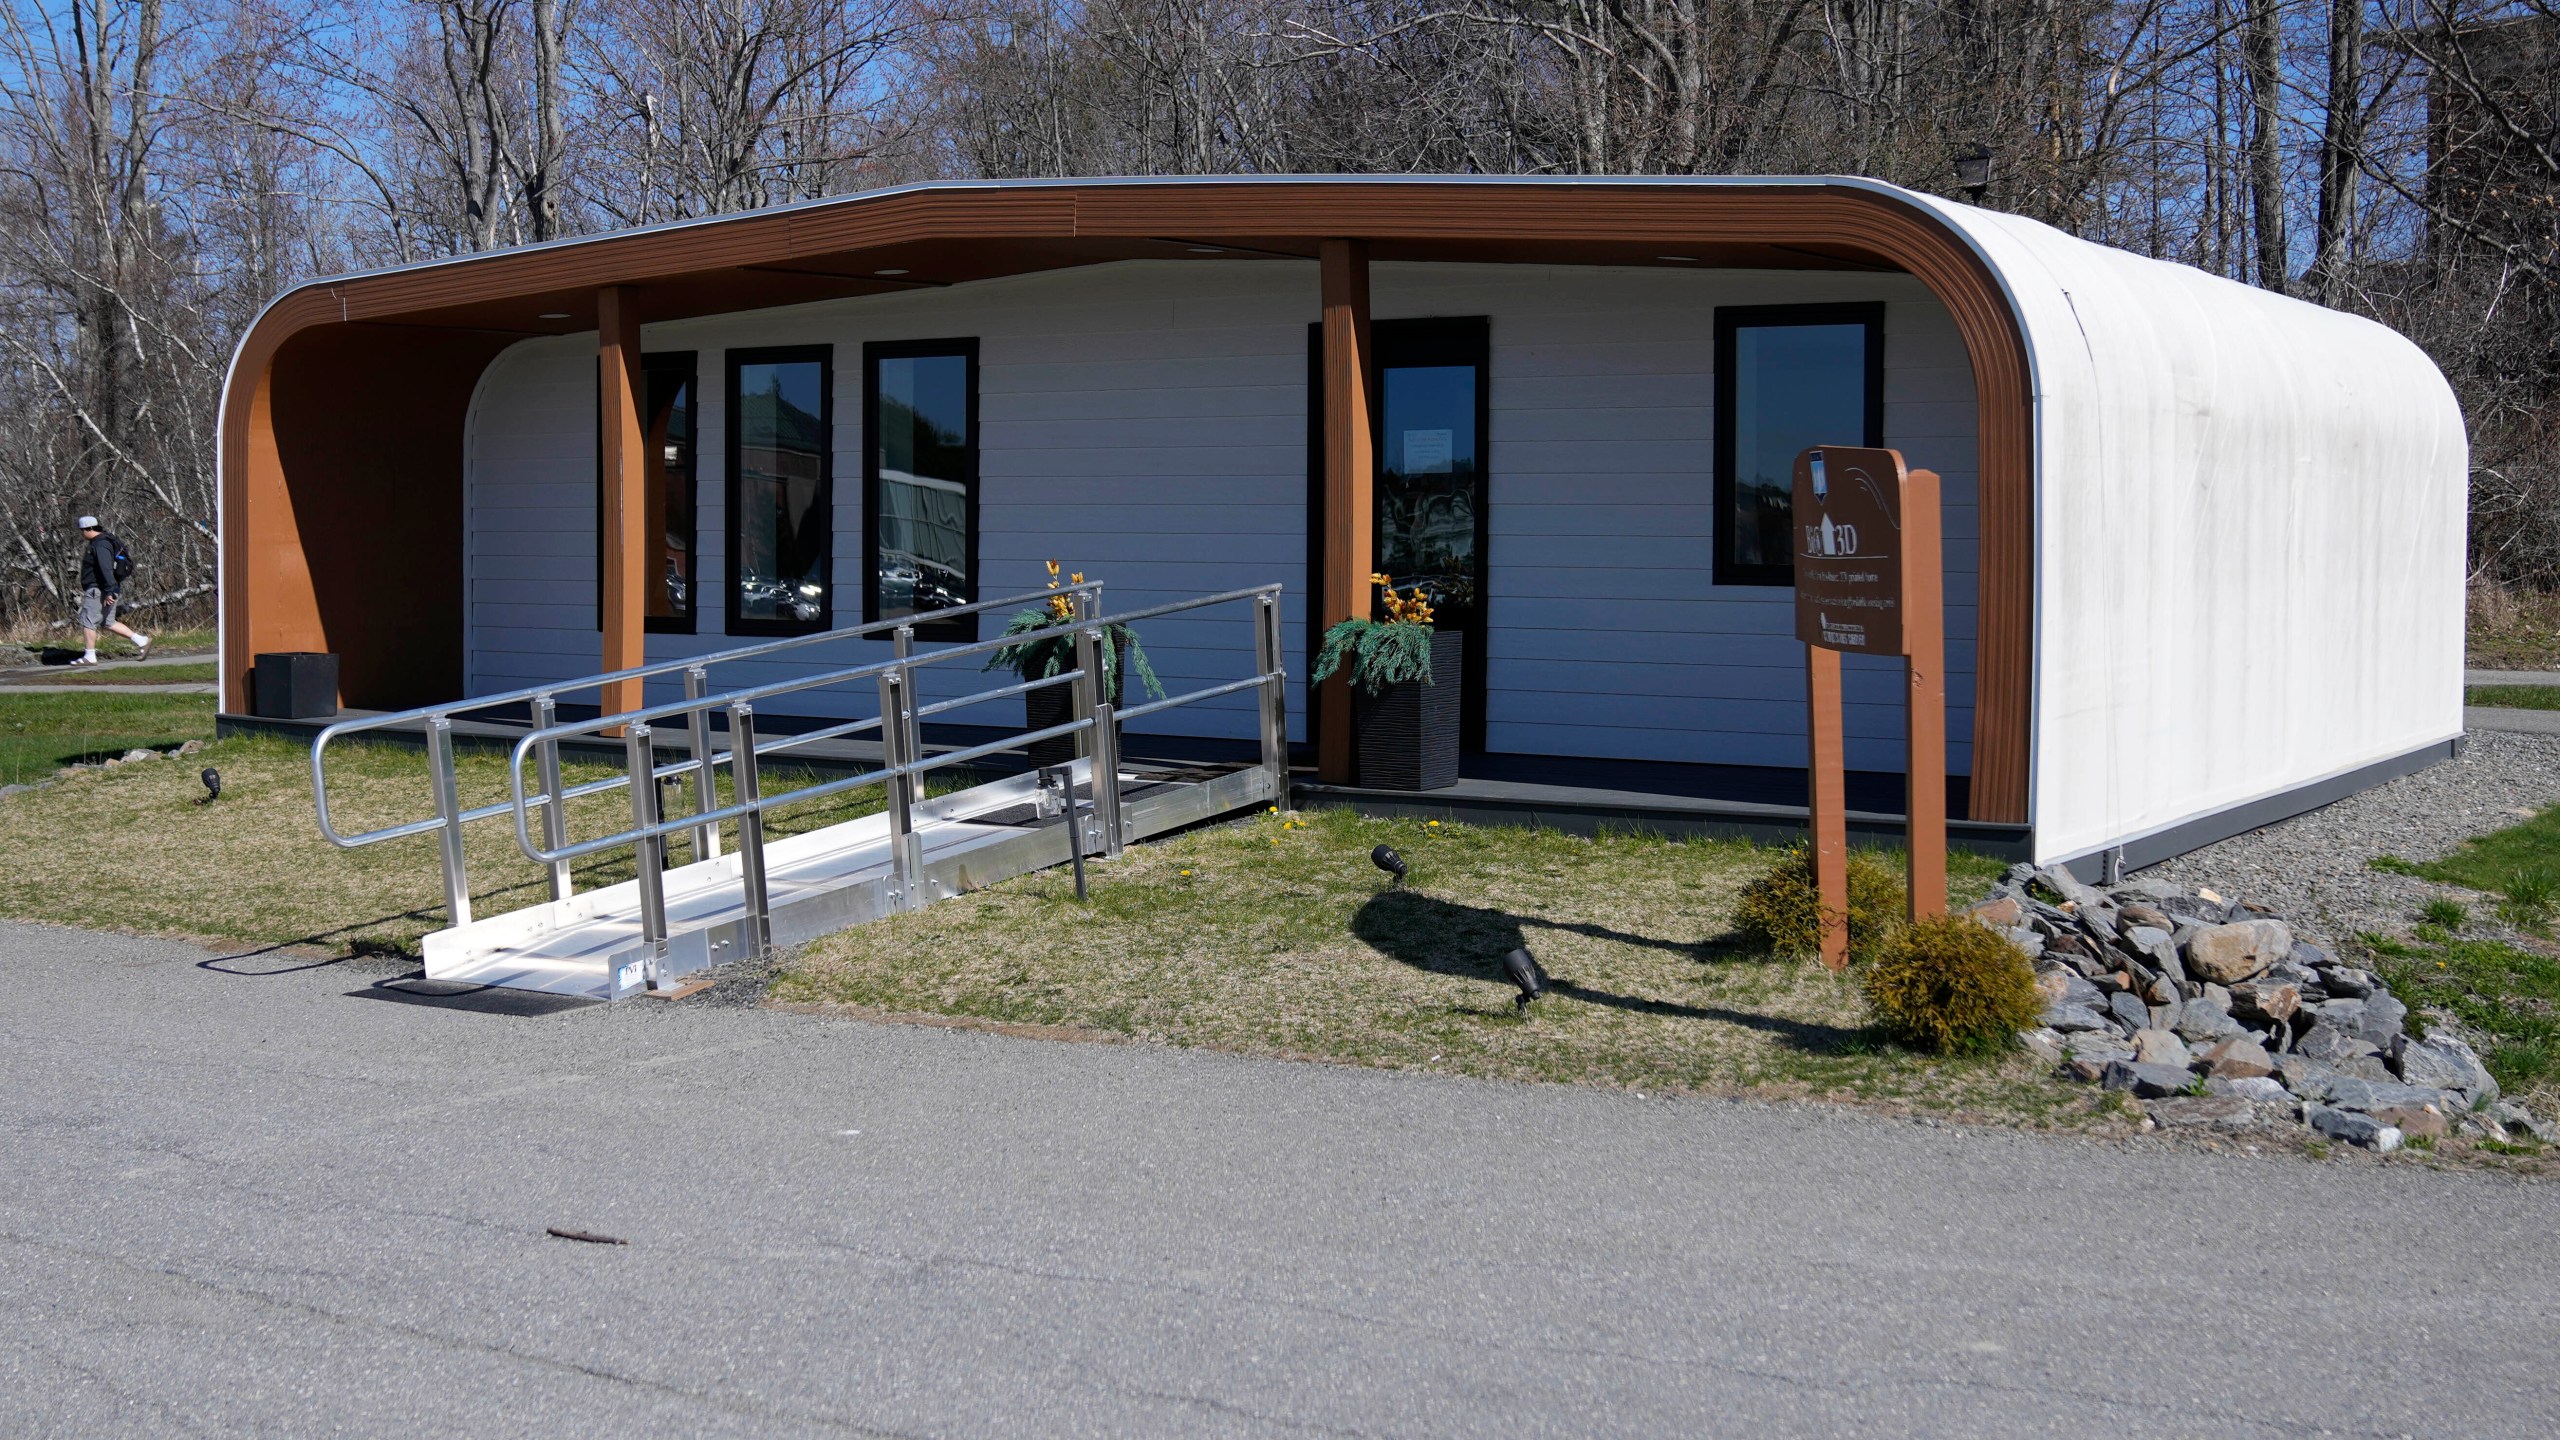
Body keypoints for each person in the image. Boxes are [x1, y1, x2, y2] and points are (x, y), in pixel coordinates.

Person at [70, 515, 149, 665]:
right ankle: (142, 641)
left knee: (88, 621)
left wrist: (109, 591)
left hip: (98, 589)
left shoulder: (100, 545)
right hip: (105, 588)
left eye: (82, 531)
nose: (82, 534)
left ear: (89, 529)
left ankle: (89, 656)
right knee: (108, 622)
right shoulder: (105, 541)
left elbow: (105, 569)